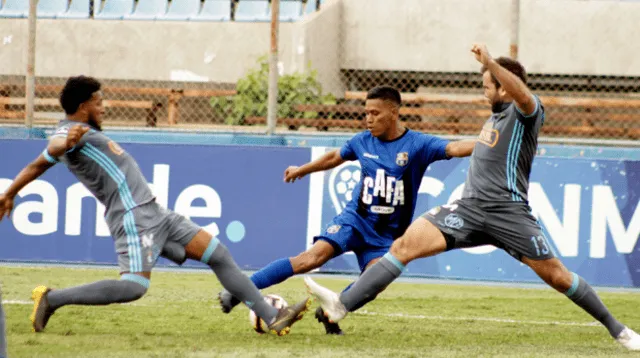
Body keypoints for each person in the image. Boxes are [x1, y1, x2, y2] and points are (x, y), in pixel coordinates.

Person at [303, 44, 640, 350]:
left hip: (508, 213)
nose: (483, 94)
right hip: (468, 209)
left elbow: (524, 95)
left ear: (504, 87)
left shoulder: (526, 113)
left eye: (486, 86)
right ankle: (341, 305)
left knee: (558, 276)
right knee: (403, 247)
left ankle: (620, 330)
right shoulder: (494, 117)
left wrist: (491, 62)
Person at [0, 76, 310, 336]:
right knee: (134, 286)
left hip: (156, 214)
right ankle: (52, 299)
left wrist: (11, 192)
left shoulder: (86, 132)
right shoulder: (68, 132)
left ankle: (271, 316)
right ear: (83, 107)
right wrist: (58, 149)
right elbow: (46, 155)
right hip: (133, 217)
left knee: (218, 254)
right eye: (98, 103)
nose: (103, 108)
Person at [218, 85, 476, 335]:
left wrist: (487, 143)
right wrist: (301, 170)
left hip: (387, 236)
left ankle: (330, 311)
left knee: (373, 284)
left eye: (375, 113)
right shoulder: (362, 141)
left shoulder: (418, 144)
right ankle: (238, 290)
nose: (368, 119)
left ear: (394, 112)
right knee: (311, 259)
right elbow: (333, 157)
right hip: (355, 221)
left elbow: (453, 148)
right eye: (366, 113)